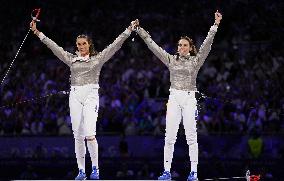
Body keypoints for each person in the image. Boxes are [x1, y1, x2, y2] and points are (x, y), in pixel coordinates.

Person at [30, 20, 136, 180]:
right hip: (75, 96)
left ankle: (95, 169)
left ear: (89, 44)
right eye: (78, 44)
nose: (81, 46)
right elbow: (54, 47)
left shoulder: (97, 59)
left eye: (84, 43)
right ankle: (81, 171)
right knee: (78, 135)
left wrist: (128, 30)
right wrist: (38, 33)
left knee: (89, 133)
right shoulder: (71, 59)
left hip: (91, 96)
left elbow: (115, 45)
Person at [134, 10, 222, 181]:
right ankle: (166, 171)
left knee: (191, 136)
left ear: (190, 48)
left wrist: (215, 25)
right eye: (179, 45)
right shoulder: (171, 59)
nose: (181, 47)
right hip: (174, 98)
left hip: (189, 99)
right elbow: (153, 45)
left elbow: (206, 46)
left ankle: (194, 172)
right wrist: (140, 30)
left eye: (184, 45)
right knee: (170, 136)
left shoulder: (196, 61)